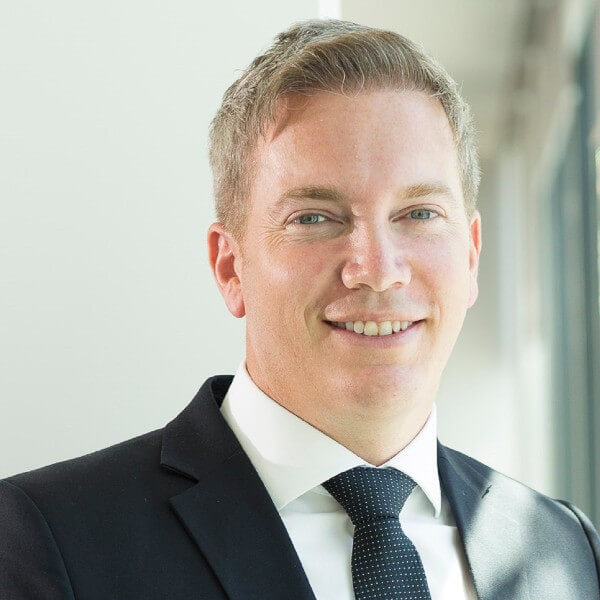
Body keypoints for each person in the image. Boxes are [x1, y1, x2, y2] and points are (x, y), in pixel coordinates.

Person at [0, 19, 598, 600]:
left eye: (419, 213)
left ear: (470, 255)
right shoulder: (47, 540)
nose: (378, 269)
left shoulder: (565, 547)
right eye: (314, 218)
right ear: (230, 268)